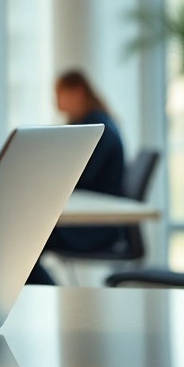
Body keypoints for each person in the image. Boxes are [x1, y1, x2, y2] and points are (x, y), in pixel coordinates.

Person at [26, 69, 127, 285]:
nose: (55, 102)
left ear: (78, 91)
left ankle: (53, 294)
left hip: (95, 227)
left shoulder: (96, 129)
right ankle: (52, 293)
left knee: (25, 240)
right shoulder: (94, 124)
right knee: (25, 239)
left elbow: (78, 178)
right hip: (92, 221)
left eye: (59, 94)